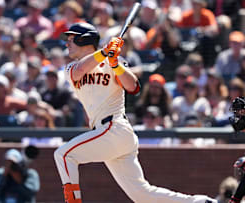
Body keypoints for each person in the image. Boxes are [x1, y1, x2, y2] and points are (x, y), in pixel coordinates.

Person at [53, 22, 216, 203]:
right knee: (141, 194)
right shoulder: (71, 68)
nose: (67, 43)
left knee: (64, 154)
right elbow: (80, 71)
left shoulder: (113, 61)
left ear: (84, 39)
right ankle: (199, 202)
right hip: (105, 133)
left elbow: (133, 87)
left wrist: (115, 64)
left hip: (115, 127)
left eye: (71, 39)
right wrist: (104, 53)